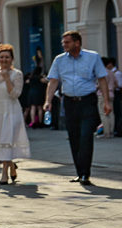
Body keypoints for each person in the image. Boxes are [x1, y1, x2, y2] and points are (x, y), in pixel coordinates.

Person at [44, 30, 109, 185]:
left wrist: (107, 101)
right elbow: (53, 81)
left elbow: (102, 79)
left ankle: (85, 173)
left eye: (67, 42)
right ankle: (80, 173)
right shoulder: (59, 60)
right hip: (69, 102)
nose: (64, 45)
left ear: (77, 43)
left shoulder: (92, 57)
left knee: (86, 136)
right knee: (74, 137)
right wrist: (48, 101)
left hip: (88, 102)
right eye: (63, 42)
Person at [0, 44, 30, 185]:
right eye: (1, 57)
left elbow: (15, 94)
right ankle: (11, 166)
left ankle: (4, 175)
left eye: (7, 57)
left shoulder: (17, 74)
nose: (4, 60)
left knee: (7, 140)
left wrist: (7, 78)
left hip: (11, 111)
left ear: (12, 59)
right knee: (1, 141)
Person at [97, 57, 122, 138]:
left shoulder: (101, 72)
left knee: (103, 113)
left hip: (102, 94)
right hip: (112, 94)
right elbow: (116, 84)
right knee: (111, 113)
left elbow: (100, 85)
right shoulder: (111, 72)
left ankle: (106, 133)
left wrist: (96, 87)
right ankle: (111, 132)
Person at [25, 55, 46, 128]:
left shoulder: (31, 77)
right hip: (38, 93)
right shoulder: (39, 77)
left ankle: (33, 122)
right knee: (40, 108)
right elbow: (46, 81)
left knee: (33, 108)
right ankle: (40, 122)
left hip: (31, 93)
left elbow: (27, 82)